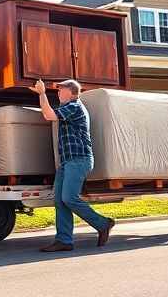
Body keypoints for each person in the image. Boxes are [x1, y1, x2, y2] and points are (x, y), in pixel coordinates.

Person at [29, 79, 115, 251]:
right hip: (67, 162)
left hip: (79, 160)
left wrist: (42, 93)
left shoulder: (75, 107)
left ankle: (103, 224)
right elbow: (49, 114)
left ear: (72, 92)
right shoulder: (68, 108)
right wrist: (42, 95)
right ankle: (64, 241)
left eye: (61, 89)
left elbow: (50, 115)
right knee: (60, 201)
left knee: (69, 198)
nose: (58, 92)